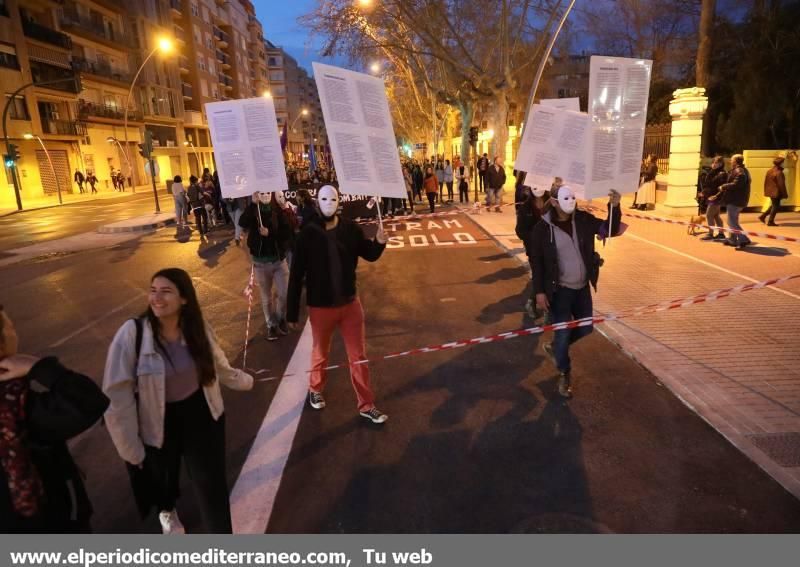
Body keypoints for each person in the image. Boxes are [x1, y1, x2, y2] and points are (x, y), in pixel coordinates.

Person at [103, 269, 254, 534]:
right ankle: (167, 511)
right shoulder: (133, 333)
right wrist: (130, 449)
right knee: (165, 479)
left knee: (212, 487)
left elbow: (216, 361)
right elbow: (117, 395)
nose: (157, 298)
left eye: (166, 291)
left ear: (184, 299)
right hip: (158, 421)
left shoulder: (196, 326)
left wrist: (238, 379)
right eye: (153, 290)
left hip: (202, 413)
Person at [0, 305, 109, 533]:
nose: (14, 331)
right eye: (10, 326)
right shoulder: (15, 405)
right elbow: (88, 402)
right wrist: (37, 366)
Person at [286, 185, 389, 424]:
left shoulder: (350, 229)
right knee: (320, 354)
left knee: (359, 357)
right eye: (324, 198)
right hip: (321, 308)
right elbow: (296, 274)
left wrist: (379, 242)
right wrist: (291, 313)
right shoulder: (307, 234)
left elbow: (369, 253)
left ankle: (366, 404)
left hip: (350, 304)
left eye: (333, 198)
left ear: (339, 201)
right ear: (317, 201)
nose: (328, 203)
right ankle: (315, 388)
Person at [531, 186, 623, 398]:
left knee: (586, 328)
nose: (571, 201)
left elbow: (610, 229)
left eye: (573, 197)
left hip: (581, 288)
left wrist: (615, 206)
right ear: (553, 202)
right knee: (563, 335)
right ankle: (565, 371)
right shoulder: (542, 229)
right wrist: (539, 292)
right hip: (559, 291)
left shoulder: (582, 220)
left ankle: (555, 347)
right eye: (566, 197)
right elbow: (536, 262)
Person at [239, 192, 293, 341]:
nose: (265, 195)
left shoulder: (277, 210)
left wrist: (270, 232)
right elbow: (242, 223)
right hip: (260, 262)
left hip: (278, 261)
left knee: (284, 293)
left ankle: (281, 318)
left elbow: (287, 232)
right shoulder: (253, 209)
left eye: (267, 192)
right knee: (266, 297)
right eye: (261, 193)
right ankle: (271, 325)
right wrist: (252, 205)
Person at [515, 175, 551, 319]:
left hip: (550, 248)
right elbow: (520, 230)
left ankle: (543, 306)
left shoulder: (551, 204)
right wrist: (532, 239)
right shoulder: (526, 208)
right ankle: (532, 302)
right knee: (539, 275)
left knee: (549, 276)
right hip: (534, 250)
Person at [718, 154, 752, 250]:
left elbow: (736, 184)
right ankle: (732, 239)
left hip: (735, 200)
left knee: (731, 222)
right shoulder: (743, 170)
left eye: (732, 160)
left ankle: (744, 239)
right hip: (738, 200)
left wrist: (724, 186)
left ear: (736, 161)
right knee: (733, 221)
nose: (730, 161)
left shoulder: (739, 171)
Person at [700, 156, 728, 241]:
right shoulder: (713, 172)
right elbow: (708, 185)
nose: (714, 164)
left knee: (709, 215)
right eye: (713, 162)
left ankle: (710, 233)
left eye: (716, 163)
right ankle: (721, 233)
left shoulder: (722, 174)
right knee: (716, 216)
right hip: (711, 196)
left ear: (721, 164)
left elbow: (720, 187)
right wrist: (703, 193)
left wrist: (716, 196)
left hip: (716, 197)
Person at [759, 155, 788, 227]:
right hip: (776, 192)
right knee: (776, 206)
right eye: (783, 163)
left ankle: (763, 216)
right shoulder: (779, 173)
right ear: (780, 164)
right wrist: (785, 194)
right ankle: (770, 221)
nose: (784, 164)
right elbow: (781, 185)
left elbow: (766, 182)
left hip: (770, 191)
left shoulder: (769, 171)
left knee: (774, 205)